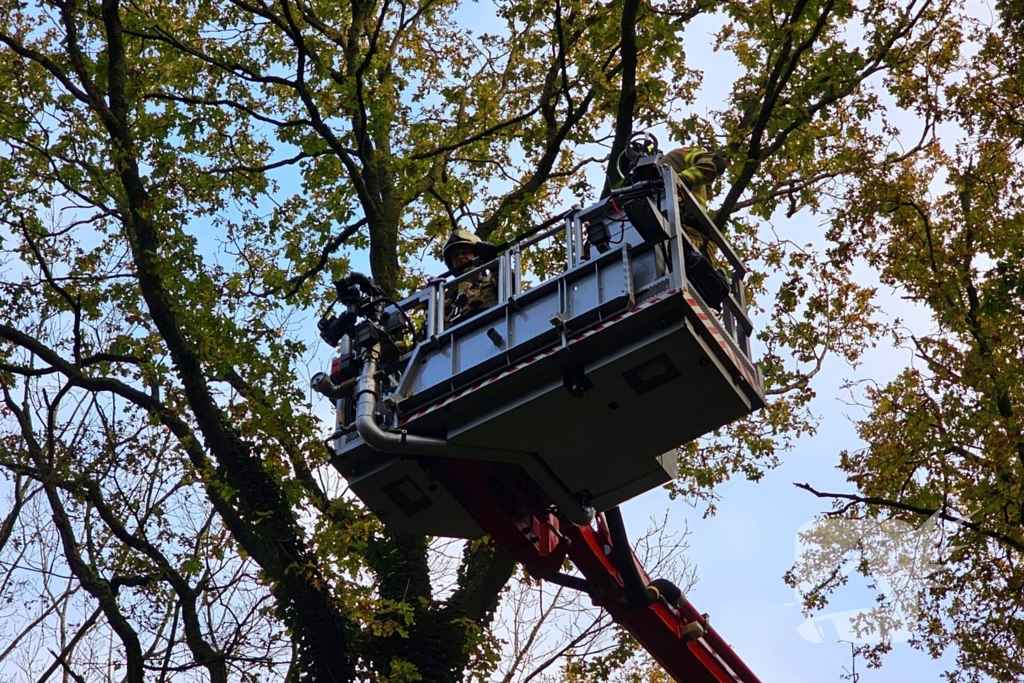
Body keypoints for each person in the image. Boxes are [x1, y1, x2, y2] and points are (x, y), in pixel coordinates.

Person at [441, 228, 499, 326]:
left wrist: (493, 262)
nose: (460, 257)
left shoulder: (491, 281)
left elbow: (510, 283)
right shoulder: (446, 304)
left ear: (477, 255)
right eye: (455, 256)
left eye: (465, 252)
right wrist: (427, 304)